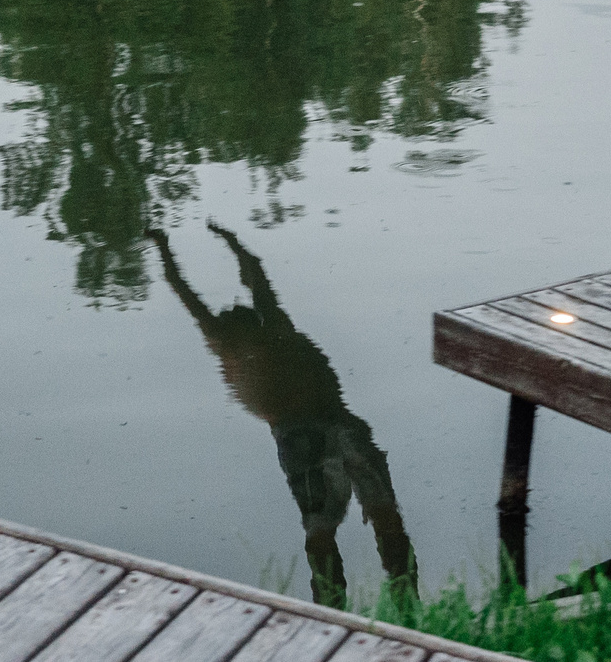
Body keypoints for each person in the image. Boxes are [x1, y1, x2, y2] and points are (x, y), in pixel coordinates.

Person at [149, 221, 418, 606]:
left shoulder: (244, 334)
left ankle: (379, 608)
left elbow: (194, 289)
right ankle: (352, 613)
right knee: (365, 519)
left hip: (315, 426)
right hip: (311, 429)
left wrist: (173, 246)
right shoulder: (251, 331)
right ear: (244, 322)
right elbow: (243, 279)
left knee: (349, 522)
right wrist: (230, 244)